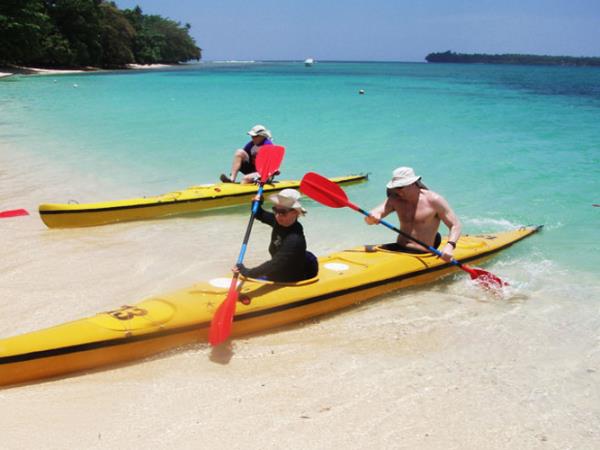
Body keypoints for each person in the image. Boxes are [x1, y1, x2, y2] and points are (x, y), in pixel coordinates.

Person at [364, 167, 461, 262]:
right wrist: (372, 217)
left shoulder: (434, 200)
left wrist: (450, 246)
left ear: (413, 183)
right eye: (395, 188)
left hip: (420, 253)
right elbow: (373, 215)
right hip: (398, 247)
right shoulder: (395, 199)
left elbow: (455, 225)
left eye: (400, 187)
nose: (397, 191)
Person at [233, 189, 318, 282]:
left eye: (282, 212)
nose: (277, 215)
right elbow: (259, 214)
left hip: (290, 276)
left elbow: (274, 264)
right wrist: (257, 202)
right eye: (275, 210)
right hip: (286, 264)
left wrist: (247, 272)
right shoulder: (279, 221)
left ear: (295, 213)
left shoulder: (295, 240)